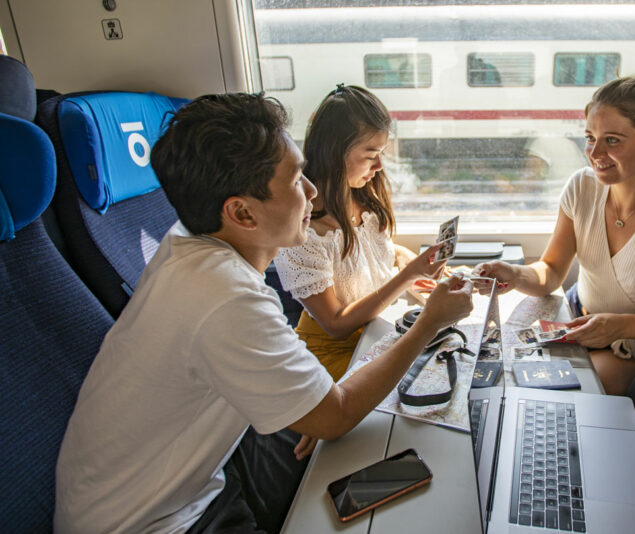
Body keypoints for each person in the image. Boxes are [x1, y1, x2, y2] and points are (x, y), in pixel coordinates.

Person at [54, 93, 474, 534]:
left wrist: (309, 399)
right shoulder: (225, 297)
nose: (312, 190)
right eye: (296, 180)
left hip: (193, 484)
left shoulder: (190, 246)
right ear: (241, 212)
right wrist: (430, 323)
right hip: (148, 522)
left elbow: (315, 400)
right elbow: (336, 416)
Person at [475, 60, 635, 395]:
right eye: (590, 137)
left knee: (568, 393)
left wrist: (618, 326)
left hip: (634, 345)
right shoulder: (582, 187)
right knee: (502, 371)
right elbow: (551, 271)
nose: (595, 153)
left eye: (612, 140)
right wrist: (516, 274)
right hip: (578, 322)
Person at [274, 84, 445, 380]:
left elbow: (377, 252)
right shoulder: (304, 232)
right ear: (334, 152)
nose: (379, 166)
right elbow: (336, 325)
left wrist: (407, 261)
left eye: (381, 153)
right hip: (334, 354)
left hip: (377, 333)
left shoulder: (364, 196)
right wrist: (407, 277)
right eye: (370, 154)